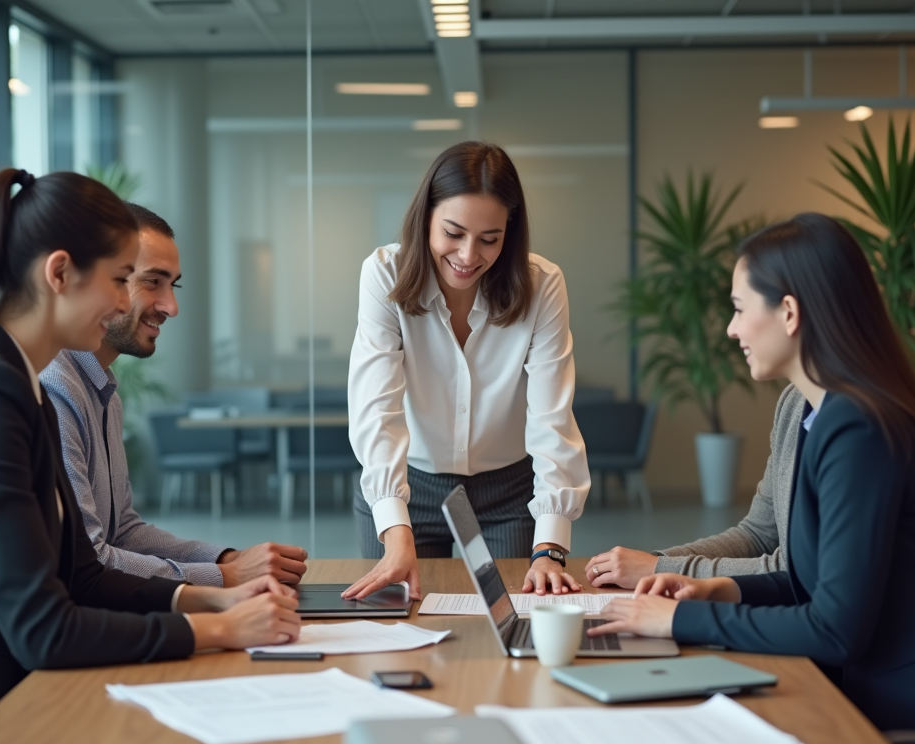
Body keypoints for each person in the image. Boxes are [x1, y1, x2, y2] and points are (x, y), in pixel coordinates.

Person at [0, 170, 300, 714]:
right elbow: (43, 629)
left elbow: (81, 575)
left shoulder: (17, 381)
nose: (123, 304)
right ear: (59, 273)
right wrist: (217, 628)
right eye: (121, 280)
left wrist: (211, 597)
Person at [589, 213, 915, 732]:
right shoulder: (826, 414)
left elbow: (836, 628)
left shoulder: (860, 427)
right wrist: (719, 590)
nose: (731, 329)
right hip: (887, 681)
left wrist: (681, 619)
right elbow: (814, 581)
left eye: (739, 309)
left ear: (789, 312)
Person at [343, 141, 591, 601]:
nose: (468, 255)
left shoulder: (542, 286)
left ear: (509, 234)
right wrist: (396, 526)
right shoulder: (384, 275)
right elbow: (376, 407)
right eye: (453, 233)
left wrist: (551, 546)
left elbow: (552, 417)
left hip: (509, 493)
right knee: (401, 625)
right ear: (426, 219)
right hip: (406, 485)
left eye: (489, 239)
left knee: (515, 617)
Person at [40, 203, 308, 587]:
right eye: (152, 282)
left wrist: (228, 558)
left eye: (173, 285)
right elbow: (91, 559)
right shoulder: (55, 387)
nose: (172, 306)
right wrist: (225, 576)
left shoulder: (105, 394)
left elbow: (124, 531)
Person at [583, 384, 802, 588]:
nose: (733, 338)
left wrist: (659, 570)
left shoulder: (833, 420)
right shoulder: (792, 402)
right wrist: (655, 562)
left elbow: (797, 572)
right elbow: (757, 536)